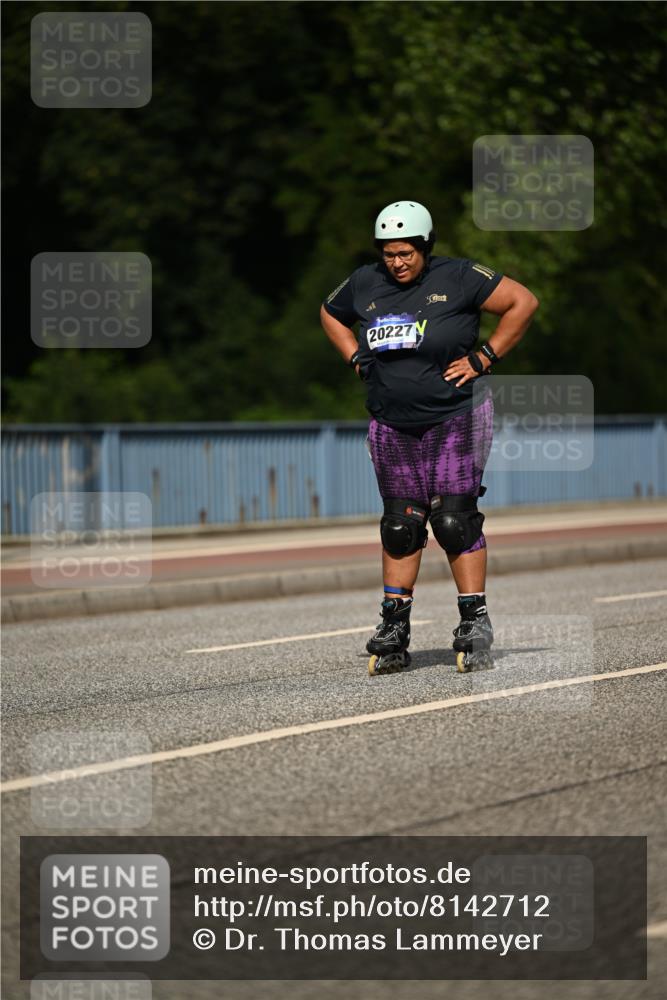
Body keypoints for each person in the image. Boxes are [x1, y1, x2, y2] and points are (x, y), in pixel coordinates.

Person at [320, 200, 539, 675]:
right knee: (401, 525)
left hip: (456, 416)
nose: (396, 262)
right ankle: (395, 626)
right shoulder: (364, 283)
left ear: (424, 247)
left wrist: (484, 357)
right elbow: (330, 313)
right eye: (389, 254)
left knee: (454, 521)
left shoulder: (459, 276)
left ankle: (473, 620)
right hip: (392, 423)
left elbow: (523, 302)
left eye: (405, 254)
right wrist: (355, 356)